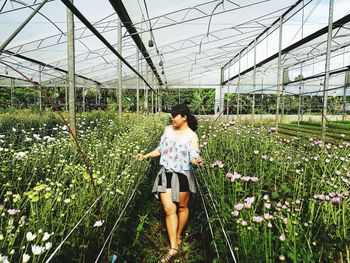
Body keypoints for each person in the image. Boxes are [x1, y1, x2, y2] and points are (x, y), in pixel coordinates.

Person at [136, 103, 203, 262]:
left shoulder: (192, 136)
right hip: (165, 174)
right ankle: (173, 247)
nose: (172, 118)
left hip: (183, 175)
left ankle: (179, 235)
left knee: (182, 207)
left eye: (175, 116)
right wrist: (145, 156)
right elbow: (160, 149)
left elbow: (193, 156)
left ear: (184, 117)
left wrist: (197, 161)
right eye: (171, 116)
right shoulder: (167, 130)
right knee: (168, 209)